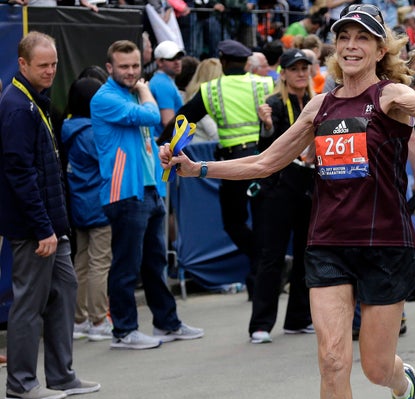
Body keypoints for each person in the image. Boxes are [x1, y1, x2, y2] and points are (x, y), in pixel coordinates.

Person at [159, 5, 415, 399]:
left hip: (385, 244)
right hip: (328, 243)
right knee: (332, 360)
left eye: (361, 38)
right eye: (343, 38)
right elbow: (267, 161)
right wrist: (198, 169)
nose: (350, 46)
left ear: (380, 49)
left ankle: (404, 387)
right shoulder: (320, 106)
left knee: (376, 367)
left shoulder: (391, 94)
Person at [0, 31, 100, 399]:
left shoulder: (31, 103)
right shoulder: (17, 107)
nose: (51, 71)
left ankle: (61, 376)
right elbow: (20, 174)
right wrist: (43, 228)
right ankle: (21, 385)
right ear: (22, 64)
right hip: (35, 229)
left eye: (55, 63)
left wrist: (54, 227)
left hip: (49, 225)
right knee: (29, 304)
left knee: (64, 291)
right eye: (43, 65)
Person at [91, 40, 204, 350]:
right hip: (124, 192)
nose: (131, 72)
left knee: (154, 263)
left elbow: (144, 139)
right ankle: (124, 331)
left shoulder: (125, 96)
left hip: (148, 189)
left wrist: (161, 151)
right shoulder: (106, 98)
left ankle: (167, 323)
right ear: (110, 68)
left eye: (135, 66)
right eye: (124, 67)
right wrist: (144, 91)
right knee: (126, 266)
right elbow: (153, 116)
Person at [166, 40, 275, 303]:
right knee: (261, 222)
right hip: (265, 159)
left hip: (232, 164)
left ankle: (258, 269)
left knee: (234, 222)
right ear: (246, 63)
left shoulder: (211, 89)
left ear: (223, 62)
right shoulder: (264, 84)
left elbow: (183, 118)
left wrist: (165, 145)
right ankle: (261, 270)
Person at [248, 49, 316, 344]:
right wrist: (266, 125)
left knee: (305, 254)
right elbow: (267, 146)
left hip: (308, 186)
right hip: (278, 188)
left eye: (305, 68)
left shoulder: (316, 103)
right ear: (283, 73)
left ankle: (298, 318)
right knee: (272, 256)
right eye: (295, 68)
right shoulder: (273, 103)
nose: (301, 73)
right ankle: (260, 324)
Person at [62, 77, 114, 342]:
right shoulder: (92, 133)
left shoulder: (68, 128)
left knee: (81, 262)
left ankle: (79, 318)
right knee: (99, 263)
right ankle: (97, 319)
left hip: (79, 203)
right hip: (99, 203)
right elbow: (109, 160)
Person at [150, 40, 185, 137]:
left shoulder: (162, 81)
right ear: (159, 62)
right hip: (165, 145)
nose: (177, 62)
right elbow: (168, 122)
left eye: (179, 58)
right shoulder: (162, 84)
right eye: (172, 58)